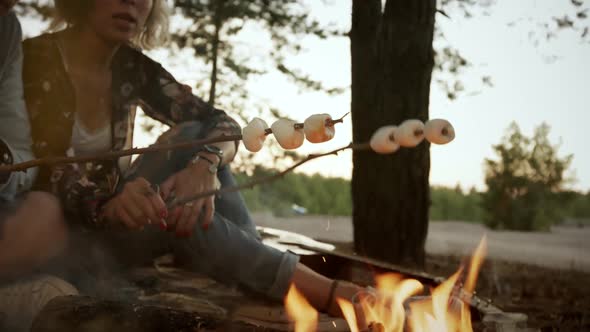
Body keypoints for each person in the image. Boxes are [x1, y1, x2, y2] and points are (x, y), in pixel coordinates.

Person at [22, 0, 361, 319]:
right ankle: (330, 293)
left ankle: (255, 271)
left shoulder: (131, 67)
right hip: (65, 237)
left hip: (124, 218)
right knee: (178, 208)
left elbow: (223, 124)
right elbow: (48, 166)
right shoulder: (36, 59)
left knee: (192, 140)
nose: (131, 1)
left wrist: (205, 167)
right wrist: (108, 203)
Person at [0, 1, 78, 331]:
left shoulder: (6, 29)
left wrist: (4, 161)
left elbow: (22, 156)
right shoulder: (43, 54)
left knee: (45, 209)